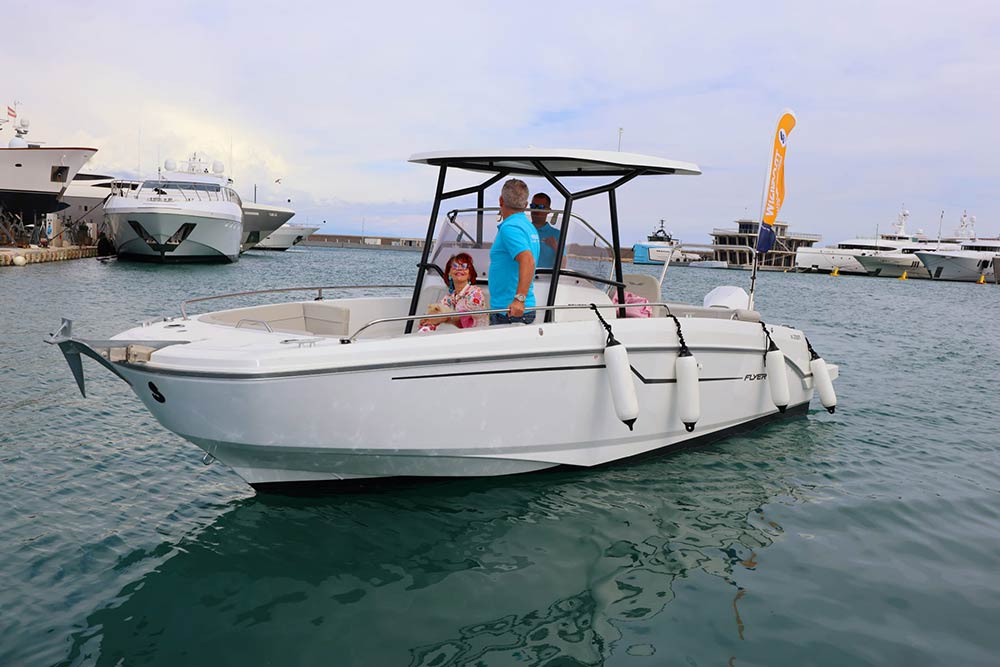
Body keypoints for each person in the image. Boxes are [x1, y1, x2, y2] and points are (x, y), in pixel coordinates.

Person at [488, 179, 539, 325]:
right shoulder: (528, 227)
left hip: (509, 312)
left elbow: (528, 260)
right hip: (513, 311)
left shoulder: (510, 228)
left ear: (500, 200)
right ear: (525, 205)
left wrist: (519, 300)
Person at [418, 253, 488, 331]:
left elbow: (464, 319)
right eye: (455, 266)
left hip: (476, 335)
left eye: (464, 266)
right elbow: (439, 313)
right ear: (449, 273)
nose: (459, 269)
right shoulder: (448, 298)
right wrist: (428, 321)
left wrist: (443, 317)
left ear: (470, 274)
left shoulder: (476, 293)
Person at [529, 192, 560, 269]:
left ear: (548, 210)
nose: (535, 210)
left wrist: (555, 246)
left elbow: (563, 263)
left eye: (540, 207)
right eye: (533, 206)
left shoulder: (557, 234)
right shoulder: (522, 231)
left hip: (546, 279)